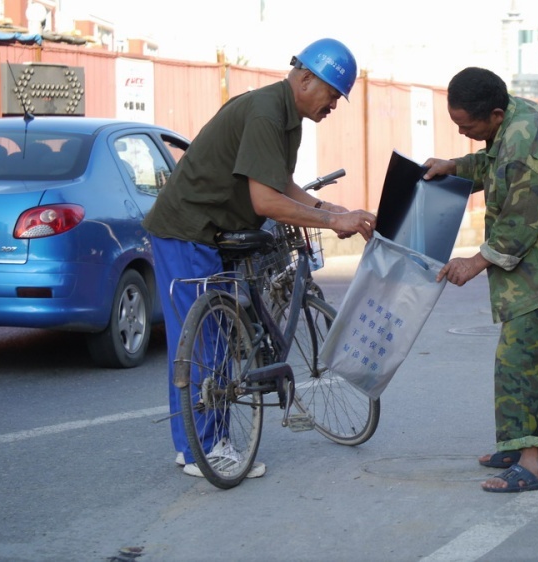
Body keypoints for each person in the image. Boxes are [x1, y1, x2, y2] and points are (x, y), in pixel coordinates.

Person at [142, 38, 376, 480]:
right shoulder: (268, 112)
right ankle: (204, 451)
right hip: (187, 230)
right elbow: (266, 200)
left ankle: (196, 445)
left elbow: (281, 184)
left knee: (216, 336)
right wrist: (330, 224)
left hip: (211, 230)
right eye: (332, 94)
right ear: (306, 78)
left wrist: (336, 211)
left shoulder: (288, 117)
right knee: (204, 341)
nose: (334, 106)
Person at [422, 67, 538, 493]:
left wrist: (472, 263)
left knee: (523, 362)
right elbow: (490, 161)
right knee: (518, 360)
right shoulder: (514, 120)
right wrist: (454, 167)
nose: (464, 133)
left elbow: (517, 225)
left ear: (495, 114)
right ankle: (518, 447)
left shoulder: (520, 142)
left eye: (468, 126)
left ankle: (531, 464)